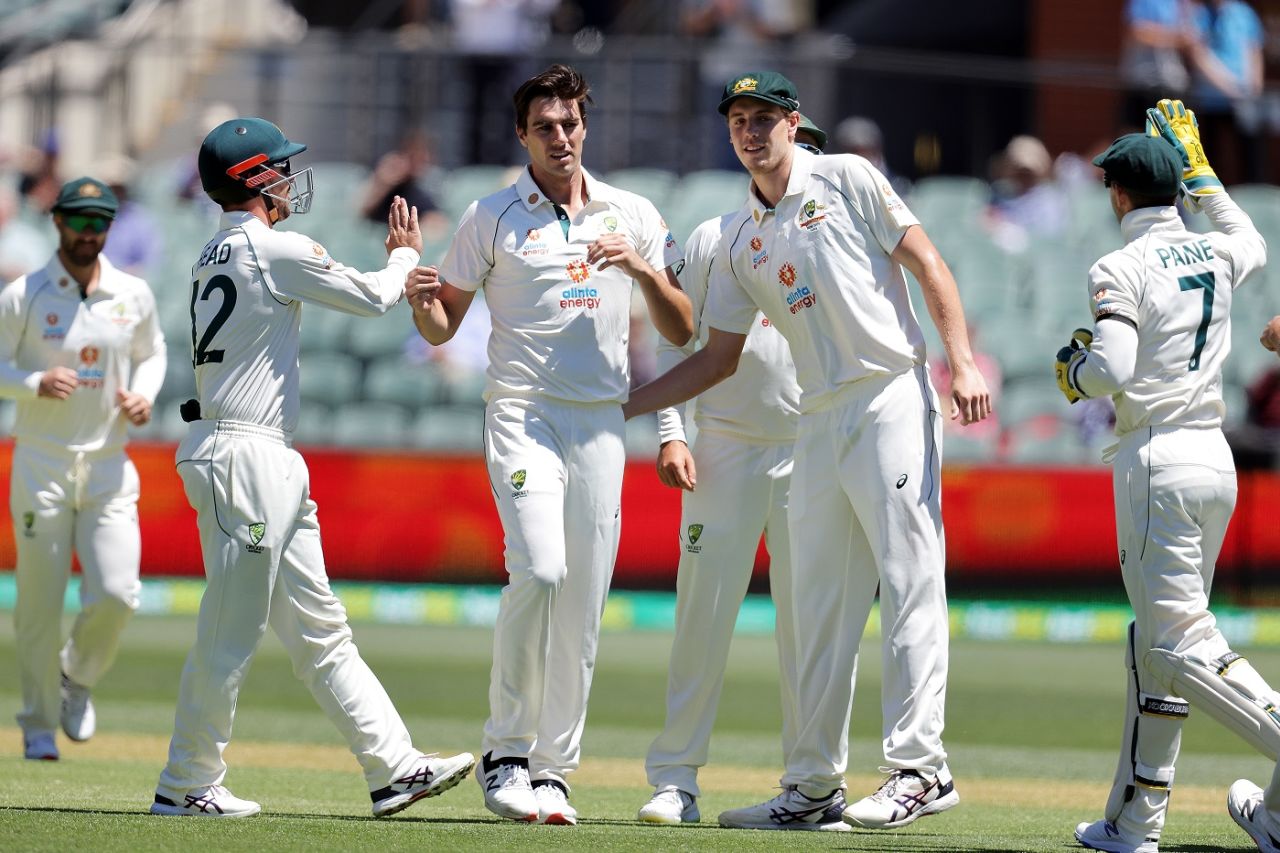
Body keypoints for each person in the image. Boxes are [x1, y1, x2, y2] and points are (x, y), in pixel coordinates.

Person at [623, 70, 991, 832]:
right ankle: (813, 784)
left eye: (763, 118)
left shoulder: (848, 176)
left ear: (794, 122)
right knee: (819, 605)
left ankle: (922, 765)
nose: (749, 132)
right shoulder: (741, 238)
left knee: (909, 573)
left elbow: (928, 263)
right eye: (738, 122)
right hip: (815, 418)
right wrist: (625, 408)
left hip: (889, 391)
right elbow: (714, 357)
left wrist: (961, 360)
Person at [150, 116, 474, 818]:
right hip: (246, 452)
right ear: (256, 178)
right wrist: (403, 256)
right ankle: (185, 782)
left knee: (320, 627)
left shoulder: (215, 250)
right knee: (231, 629)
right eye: (281, 167)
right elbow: (372, 298)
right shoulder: (269, 246)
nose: (293, 179)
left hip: (254, 450)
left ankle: (395, 767)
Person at [403, 63, 693, 825]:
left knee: (584, 606)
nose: (560, 137)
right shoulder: (492, 215)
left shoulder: (630, 212)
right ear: (523, 136)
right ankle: (505, 751)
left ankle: (555, 770)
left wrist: (639, 266)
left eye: (570, 123)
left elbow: (681, 329)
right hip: (524, 412)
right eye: (545, 127)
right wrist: (416, 295)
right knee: (541, 568)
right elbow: (444, 324)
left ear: (584, 127)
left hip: (601, 421)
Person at [1055, 104, 1273, 853]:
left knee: (1176, 638)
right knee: (1154, 643)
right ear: (1176, 191)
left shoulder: (1118, 266)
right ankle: (1134, 821)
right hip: (1215, 457)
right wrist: (1204, 166)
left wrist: (1073, 370)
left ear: (1118, 195)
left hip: (1158, 460)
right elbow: (1253, 239)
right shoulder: (1214, 252)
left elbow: (1111, 367)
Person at [635, 119, 824, 828]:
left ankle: (811, 785)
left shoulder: (834, 234)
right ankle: (675, 778)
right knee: (703, 615)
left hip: (814, 445)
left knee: (812, 623)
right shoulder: (716, 237)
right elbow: (676, 336)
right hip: (727, 444)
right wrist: (669, 429)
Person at [0, 177, 166, 761]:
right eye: (79, 219)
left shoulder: (131, 294)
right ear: (58, 222)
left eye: (99, 221)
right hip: (42, 463)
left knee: (119, 594)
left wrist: (144, 394)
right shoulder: (25, 294)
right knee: (39, 604)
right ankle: (38, 723)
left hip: (108, 465)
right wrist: (32, 382)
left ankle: (77, 677)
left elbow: (153, 353)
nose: (89, 231)